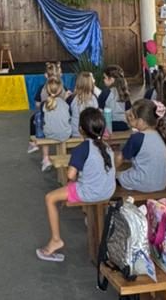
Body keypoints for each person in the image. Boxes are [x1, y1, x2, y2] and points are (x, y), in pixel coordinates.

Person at [36, 108, 115, 262]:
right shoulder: (107, 146)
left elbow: (71, 175)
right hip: (108, 190)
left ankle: (55, 240)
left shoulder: (82, 148)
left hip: (90, 192)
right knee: (75, 189)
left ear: (80, 129)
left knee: (50, 198)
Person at [117, 100, 166, 192]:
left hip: (144, 183)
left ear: (140, 121)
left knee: (116, 175)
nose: (129, 117)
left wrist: (109, 171)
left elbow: (120, 158)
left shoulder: (137, 138)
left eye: (132, 116)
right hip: (161, 183)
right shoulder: (159, 134)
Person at [28, 62, 63, 153]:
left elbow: (37, 104)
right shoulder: (63, 88)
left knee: (33, 119)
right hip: (61, 118)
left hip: (46, 118)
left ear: (45, 75)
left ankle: (33, 142)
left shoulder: (42, 88)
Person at [37, 77, 71, 171]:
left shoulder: (45, 103)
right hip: (66, 134)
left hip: (49, 134)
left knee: (41, 124)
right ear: (60, 90)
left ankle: (45, 157)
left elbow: (44, 119)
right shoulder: (65, 103)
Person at [99, 65, 131, 132]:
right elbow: (128, 112)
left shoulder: (105, 92)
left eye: (105, 77)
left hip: (109, 126)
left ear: (112, 79)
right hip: (124, 125)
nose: (103, 80)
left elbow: (99, 112)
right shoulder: (124, 91)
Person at [67, 72, 98, 138]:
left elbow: (67, 113)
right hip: (91, 132)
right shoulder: (94, 98)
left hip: (75, 132)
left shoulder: (72, 98)